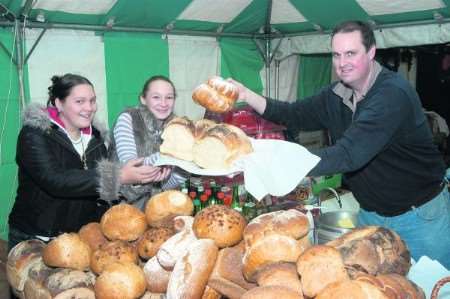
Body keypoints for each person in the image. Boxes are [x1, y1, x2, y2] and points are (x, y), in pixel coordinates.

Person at [231, 20, 450, 268]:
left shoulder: (392, 93)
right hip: (371, 215)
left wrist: (279, 162)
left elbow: (349, 154)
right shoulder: (335, 94)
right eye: (336, 55)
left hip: (418, 217)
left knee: (432, 288)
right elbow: (293, 114)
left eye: (350, 53)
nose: (342, 63)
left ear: (371, 52)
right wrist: (247, 95)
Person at [8, 73, 158, 250]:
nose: (89, 108)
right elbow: (56, 180)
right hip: (37, 237)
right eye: (80, 101)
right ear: (58, 103)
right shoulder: (34, 134)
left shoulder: (96, 139)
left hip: (80, 238)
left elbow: (105, 193)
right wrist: (119, 175)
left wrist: (138, 180)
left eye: (92, 101)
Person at [108, 75, 187, 210]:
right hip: (124, 207)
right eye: (156, 97)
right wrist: (173, 156)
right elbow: (133, 167)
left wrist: (183, 172)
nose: (163, 103)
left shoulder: (177, 127)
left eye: (169, 97)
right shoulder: (128, 118)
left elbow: (163, 185)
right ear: (143, 99)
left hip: (157, 206)